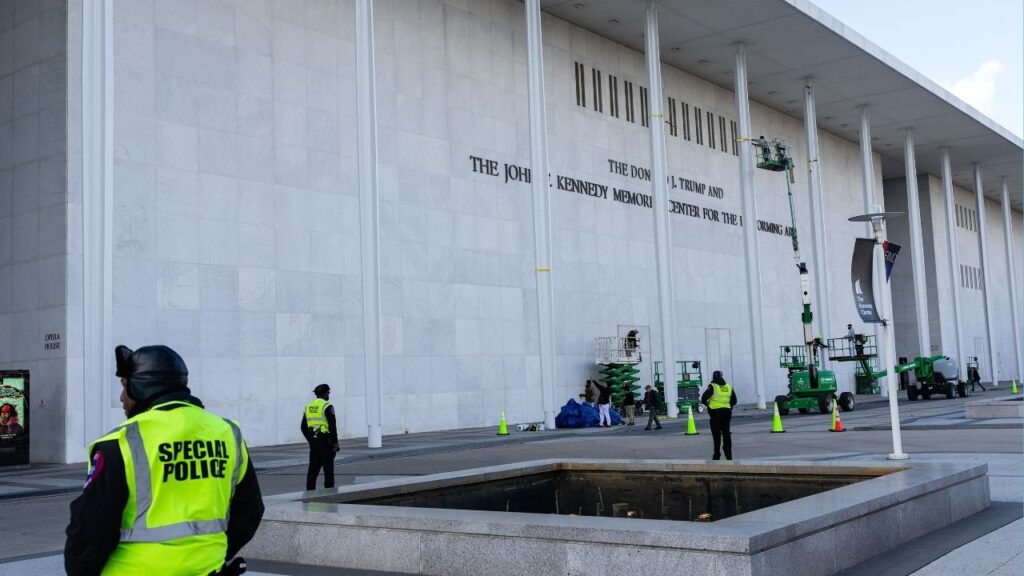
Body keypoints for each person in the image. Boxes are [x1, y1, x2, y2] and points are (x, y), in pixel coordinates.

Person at [65, 345, 264, 576]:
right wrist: (213, 557)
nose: (122, 397)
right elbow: (250, 510)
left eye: (124, 387)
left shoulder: (121, 442)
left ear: (141, 385)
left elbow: (90, 529)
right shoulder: (227, 433)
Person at [302, 383, 339, 490]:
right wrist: (335, 443)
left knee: (313, 470)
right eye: (328, 393)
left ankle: (309, 492)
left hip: (314, 441)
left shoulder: (308, 406)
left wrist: (310, 439)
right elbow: (332, 426)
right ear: (325, 394)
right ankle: (329, 494)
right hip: (325, 441)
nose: (329, 395)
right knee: (328, 470)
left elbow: (303, 427)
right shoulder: (327, 406)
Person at [701, 370, 737, 461]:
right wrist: (729, 406)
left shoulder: (712, 386)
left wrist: (708, 405)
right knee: (726, 435)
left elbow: (703, 398)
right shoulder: (728, 386)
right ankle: (729, 456)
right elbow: (734, 400)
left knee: (716, 436)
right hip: (726, 414)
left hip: (715, 414)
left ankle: (717, 455)